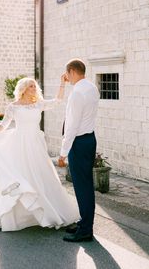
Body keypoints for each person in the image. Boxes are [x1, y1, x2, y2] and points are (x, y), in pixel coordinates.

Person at [0, 76, 79, 231]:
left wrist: (62, 84)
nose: (34, 88)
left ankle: (47, 211)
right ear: (24, 89)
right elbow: (4, 124)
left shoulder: (38, 104)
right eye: (31, 86)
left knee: (40, 174)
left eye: (35, 86)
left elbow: (57, 101)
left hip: (36, 144)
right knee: (21, 173)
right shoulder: (13, 106)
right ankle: (17, 214)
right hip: (19, 144)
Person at [58, 59, 100, 242]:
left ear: (71, 71)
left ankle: (85, 230)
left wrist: (63, 152)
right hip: (90, 139)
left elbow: (72, 126)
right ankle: (85, 223)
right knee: (86, 185)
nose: (66, 77)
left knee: (82, 187)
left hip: (78, 142)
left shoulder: (77, 93)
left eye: (66, 73)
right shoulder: (91, 87)